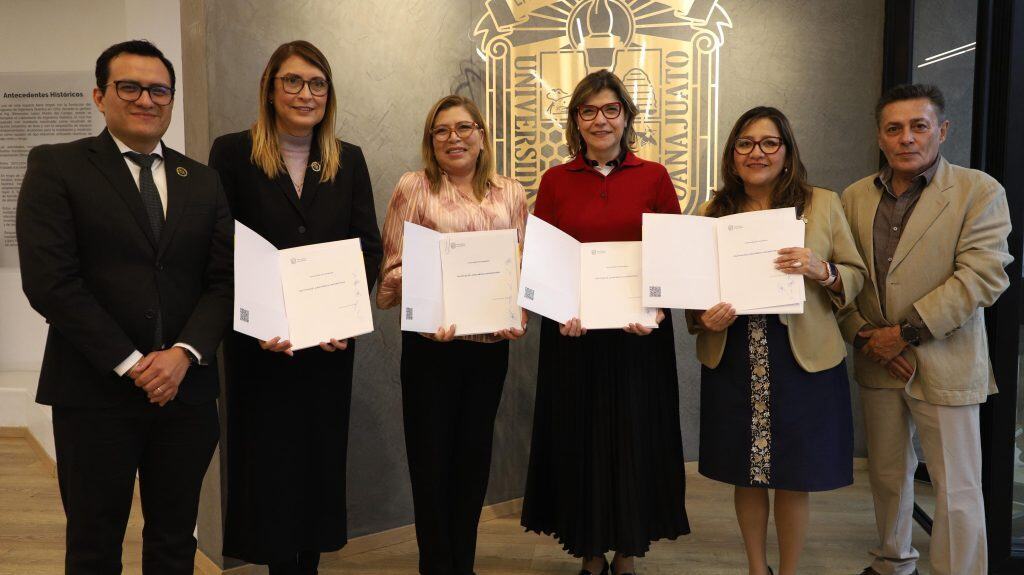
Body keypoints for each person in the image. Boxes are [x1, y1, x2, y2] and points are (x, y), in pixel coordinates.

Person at [16, 40, 232, 574]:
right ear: (100, 95)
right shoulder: (57, 167)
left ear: (172, 100)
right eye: (129, 87)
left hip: (185, 394)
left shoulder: (201, 180)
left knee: (175, 540)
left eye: (159, 89)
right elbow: (50, 281)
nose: (145, 99)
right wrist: (133, 362)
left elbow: (225, 281)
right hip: (95, 392)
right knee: (93, 544)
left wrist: (183, 353)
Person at [208, 40, 382, 575]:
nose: (306, 94)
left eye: (317, 84)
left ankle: (308, 566)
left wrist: (342, 318)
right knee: (269, 467)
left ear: (329, 94)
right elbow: (221, 248)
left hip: (327, 347)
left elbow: (367, 247)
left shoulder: (347, 158)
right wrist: (257, 321)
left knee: (318, 463)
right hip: (263, 348)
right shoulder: (233, 153)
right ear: (270, 87)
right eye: (294, 81)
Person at [520, 70, 689, 575]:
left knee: (635, 441)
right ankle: (590, 551)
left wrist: (656, 310)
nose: (600, 120)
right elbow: (543, 264)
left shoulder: (654, 177)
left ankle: (628, 551)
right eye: (588, 111)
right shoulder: (554, 181)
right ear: (576, 120)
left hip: (639, 340)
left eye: (610, 109)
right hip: (575, 337)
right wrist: (557, 309)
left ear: (626, 117)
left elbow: (673, 258)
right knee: (582, 442)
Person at [839, 84, 1011, 575]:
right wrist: (864, 336)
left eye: (919, 126)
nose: (907, 138)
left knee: (956, 488)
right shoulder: (854, 196)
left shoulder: (979, 190)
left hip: (946, 360)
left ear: (942, 130)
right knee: (889, 476)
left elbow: (982, 274)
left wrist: (906, 333)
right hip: (878, 359)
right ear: (880, 136)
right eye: (894, 128)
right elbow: (845, 276)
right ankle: (893, 561)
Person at [689, 107, 866, 575]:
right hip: (734, 352)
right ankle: (755, 567)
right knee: (745, 473)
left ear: (787, 152)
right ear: (732, 155)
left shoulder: (821, 204)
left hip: (800, 356)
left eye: (769, 143)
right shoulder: (712, 211)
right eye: (745, 143)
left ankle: (788, 571)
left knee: (793, 474)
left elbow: (855, 277)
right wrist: (703, 317)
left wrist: (820, 268)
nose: (757, 153)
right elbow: (693, 295)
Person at [377, 94, 528, 575]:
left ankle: (463, 564)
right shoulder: (413, 188)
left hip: (488, 351)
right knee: (430, 464)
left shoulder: (511, 193)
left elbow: (523, 270)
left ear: (482, 137)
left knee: (472, 462)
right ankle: (435, 566)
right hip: (430, 351)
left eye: (464, 128)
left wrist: (517, 311)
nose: (454, 138)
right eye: (441, 130)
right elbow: (391, 270)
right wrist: (418, 286)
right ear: (430, 141)